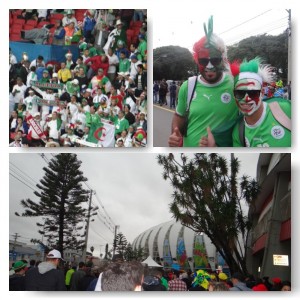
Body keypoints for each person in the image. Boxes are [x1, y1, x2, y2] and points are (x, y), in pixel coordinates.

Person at [168, 16, 238, 147]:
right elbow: (179, 116)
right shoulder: (188, 86)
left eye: (215, 60)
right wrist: (175, 135)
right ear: (197, 60)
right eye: (204, 61)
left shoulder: (234, 84)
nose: (209, 66)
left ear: (222, 59)